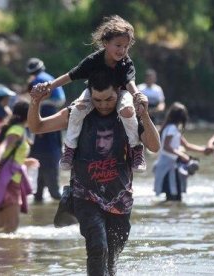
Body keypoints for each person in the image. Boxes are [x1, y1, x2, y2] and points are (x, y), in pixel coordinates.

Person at [28, 71, 160, 275]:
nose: (104, 104)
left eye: (109, 99)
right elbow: (37, 127)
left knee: (111, 259)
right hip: (85, 196)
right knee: (98, 247)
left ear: (118, 92)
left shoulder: (128, 115)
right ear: (90, 94)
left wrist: (144, 113)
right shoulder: (76, 114)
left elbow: (154, 145)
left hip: (120, 199)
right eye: (97, 100)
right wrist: (35, 101)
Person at [33, 15, 147, 173]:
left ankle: (136, 149)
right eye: (118, 45)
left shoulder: (125, 63)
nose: (122, 50)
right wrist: (49, 86)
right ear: (106, 43)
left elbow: (130, 83)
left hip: (120, 93)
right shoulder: (93, 60)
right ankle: (70, 149)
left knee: (127, 110)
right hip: (93, 91)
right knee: (77, 110)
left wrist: (137, 96)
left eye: (126, 46)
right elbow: (70, 76)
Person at [0, 101, 39, 233]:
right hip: (10, 181)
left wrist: (25, 161)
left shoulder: (19, 130)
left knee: (1, 226)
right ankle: (9, 253)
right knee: (12, 225)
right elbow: (3, 147)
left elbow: (11, 155)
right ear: (28, 115)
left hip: (6, 179)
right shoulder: (17, 130)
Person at [154, 102, 212, 201]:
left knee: (176, 195)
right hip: (168, 166)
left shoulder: (174, 129)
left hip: (173, 165)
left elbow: (187, 146)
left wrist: (203, 150)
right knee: (173, 196)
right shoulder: (172, 128)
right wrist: (181, 155)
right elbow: (166, 147)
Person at [26, 57, 65, 202]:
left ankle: (65, 211)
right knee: (39, 193)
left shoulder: (44, 109)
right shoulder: (50, 78)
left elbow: (38, 129)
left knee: (54, 192)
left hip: (47, 151)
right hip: (50, 150)